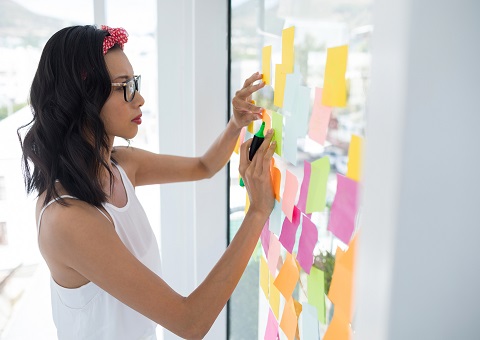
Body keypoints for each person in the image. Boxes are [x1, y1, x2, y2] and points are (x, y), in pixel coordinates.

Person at [18, 25, 276, 340]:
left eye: (134, 83)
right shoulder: (67, 219)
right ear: (82, 98)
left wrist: (236, 123)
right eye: (124, 86)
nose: (138, 99)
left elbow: (204, 166)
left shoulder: (121, 164)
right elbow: (190, 322)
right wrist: (258, 212)